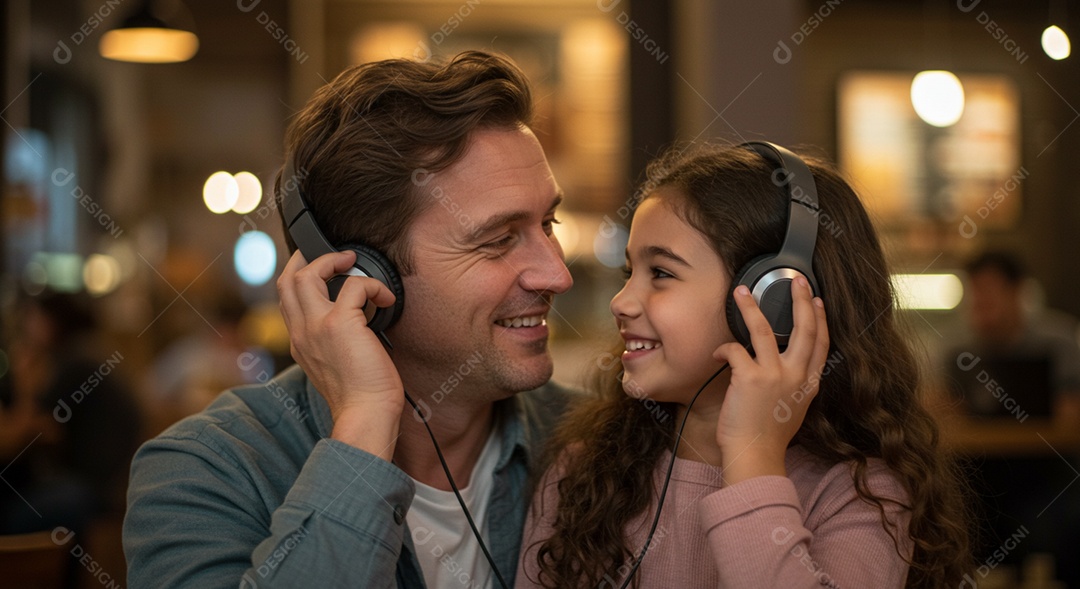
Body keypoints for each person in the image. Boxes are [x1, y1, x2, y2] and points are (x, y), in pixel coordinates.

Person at [124, 51, 576, 588]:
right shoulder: (205, 471)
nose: (557, 274)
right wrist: (364, 421)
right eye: (499, 239)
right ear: (359, 275)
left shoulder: (606, 444)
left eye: (548, 223)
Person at [515, 144, 973, 588]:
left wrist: (751, 456)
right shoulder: (582, 472)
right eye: (628, 273)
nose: (621, 302)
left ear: (775, 303)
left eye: (661, 273)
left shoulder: (861, 494)